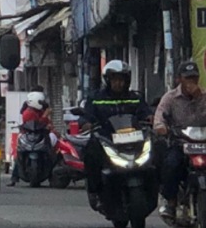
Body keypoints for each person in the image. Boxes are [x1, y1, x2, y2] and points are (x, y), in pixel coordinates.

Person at [79, 59, 153, 211]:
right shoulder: (96, 98)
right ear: (107, 80)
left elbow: (146, 114)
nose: (118, 83)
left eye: (121, 79)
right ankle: (96, 192)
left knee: (156, 152)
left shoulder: (135, 98)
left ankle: (159, 192)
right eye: (115, 79)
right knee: (91, 153)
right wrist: (86, 123)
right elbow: (86, 116)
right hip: (106, 139)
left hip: (133, 140)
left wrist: (151, 119)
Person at [154, 60, 206, 220]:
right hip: (181, 143)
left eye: (194, 78)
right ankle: (171, 202)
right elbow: (159, 118)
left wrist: (199, 99)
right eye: (187, 78)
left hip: (203, 143)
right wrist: (162, 127)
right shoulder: (170, 98)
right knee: (171, 165)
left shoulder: (204, 96)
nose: (191, 82)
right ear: (179, 79)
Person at [8, 89, 55, 186]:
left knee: (51, 151)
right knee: (19, 153)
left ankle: (52, 175)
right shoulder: (28, 112)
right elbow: (37, 124)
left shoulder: (39, 110)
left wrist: (50, 126)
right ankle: (14, 177)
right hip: (28, 134)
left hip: (41, 134)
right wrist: (46, 115)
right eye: (40, 101)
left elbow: (46, 123)